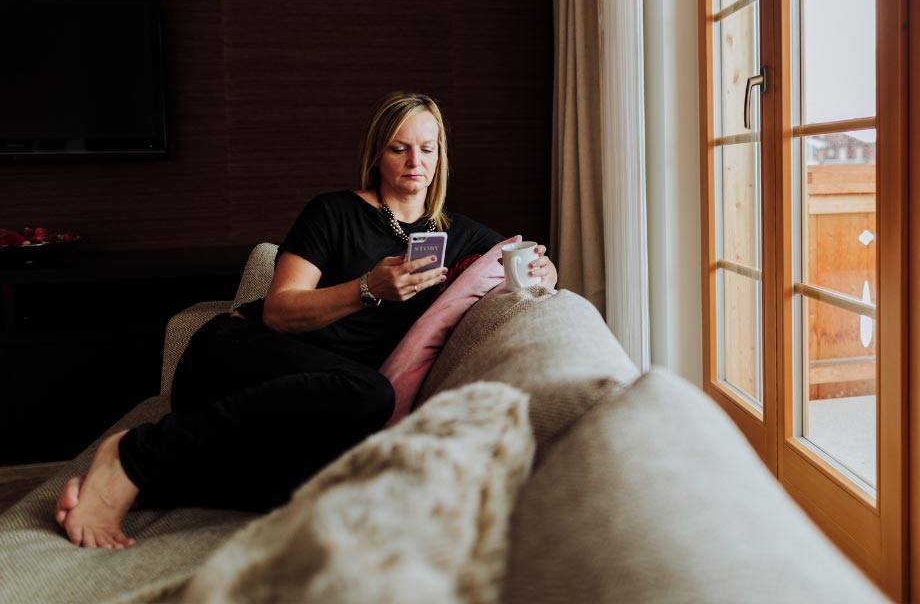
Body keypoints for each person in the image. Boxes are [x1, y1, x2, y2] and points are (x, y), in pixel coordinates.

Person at [54, 91, 557, 549]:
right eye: (399, 148)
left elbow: (526, 256)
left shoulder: (459, 235)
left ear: (441, 155)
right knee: (369, 393)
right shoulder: (333, 212)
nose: (415, 162)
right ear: (377, 154)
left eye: (428, 148)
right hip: (234, 357)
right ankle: (135, 454)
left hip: (314, 404)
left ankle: (146, 481)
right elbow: (278, 310)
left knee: (346, 482)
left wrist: (544, 268)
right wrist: (367, 289)